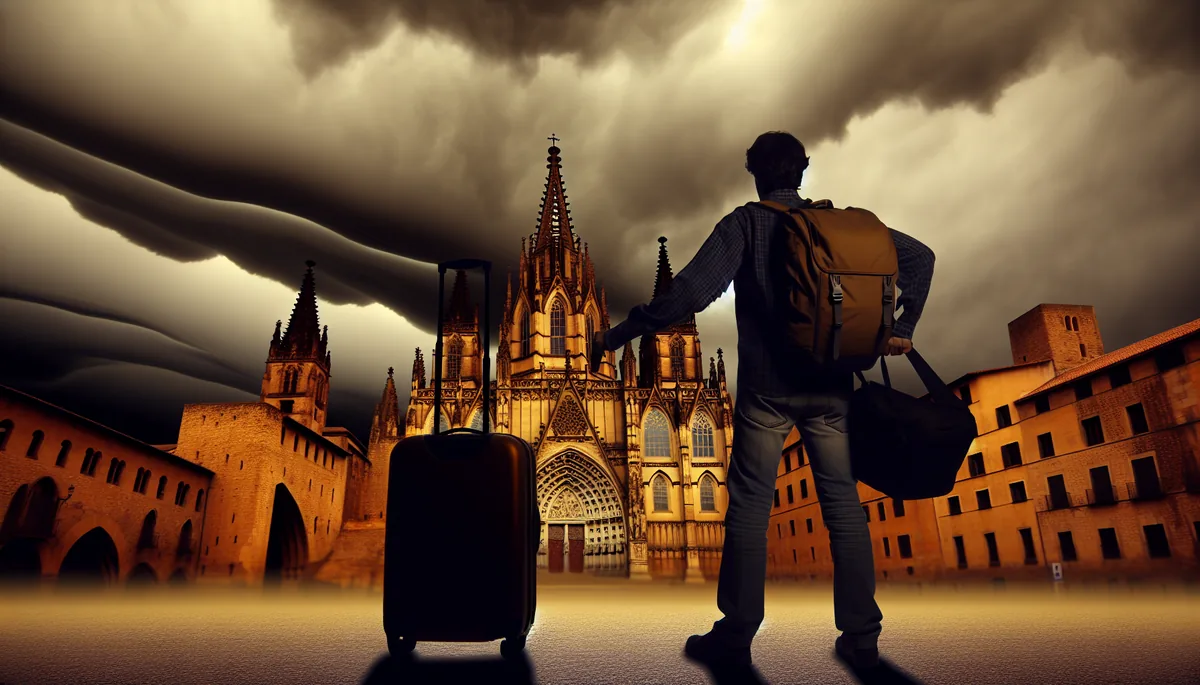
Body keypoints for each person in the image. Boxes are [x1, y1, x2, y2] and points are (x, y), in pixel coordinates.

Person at [589, 131, 935, 670]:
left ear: (753, 171)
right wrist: (901, 326)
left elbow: (686, 296)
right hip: (831, 390)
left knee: (749, 508)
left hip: (767, 392)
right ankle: (862, 635)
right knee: (843, 507)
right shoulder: (840, 225)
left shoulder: (745, 224)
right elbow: (921, 259)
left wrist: (615, 337)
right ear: (803, 169)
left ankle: (737, 631)